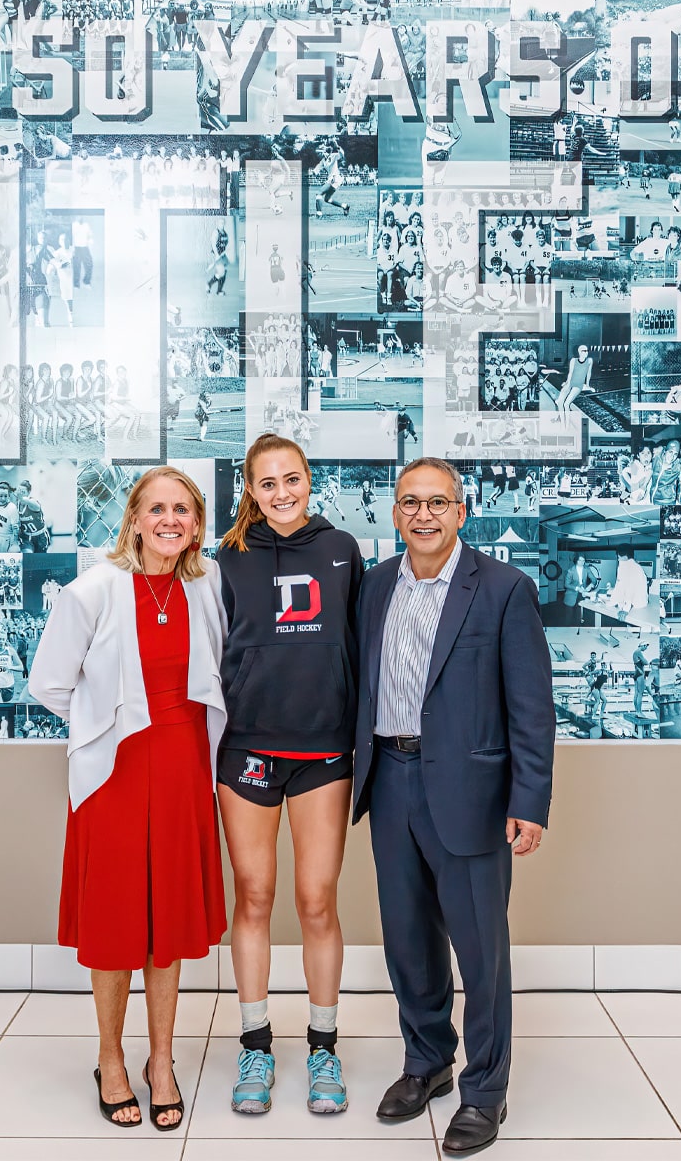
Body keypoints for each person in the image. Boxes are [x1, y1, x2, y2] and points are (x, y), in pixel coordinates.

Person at [350, 457, 555, 1156]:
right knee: (407, 940)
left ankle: (485, 1090)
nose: (424, 515)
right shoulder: (376, 587)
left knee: (480, 951)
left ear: (462, 511)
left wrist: (531, 800)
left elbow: (532, 709)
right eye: (411, 502)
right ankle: (428, 1061)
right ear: (395, 511)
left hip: (470, 792)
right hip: (389, 780)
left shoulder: (502, 589)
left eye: (439, 502)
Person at [28, 467, 228, 1131]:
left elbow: (217, 671)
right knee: (117, 927)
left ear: (197, 524)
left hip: (182, 767)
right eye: (157, 509)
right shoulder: (93, 591)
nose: (171, 520)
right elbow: (51, 684)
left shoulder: (206, 586)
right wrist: (101, 723)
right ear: (134, 519)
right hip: (116, 774)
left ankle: (161, 1060)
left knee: (166, 924)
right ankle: (111, 1059)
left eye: (184, 510)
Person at [215, 435, 366, 1115]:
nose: (281, 493)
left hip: (322, 750)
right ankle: (254, 1042)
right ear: (250, 489)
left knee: (315, 900)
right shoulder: (225, 561)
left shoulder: (342, 553)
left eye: (293, 479)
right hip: (246, 748)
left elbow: (361, 648)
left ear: (310, 480)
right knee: (252, 895)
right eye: (267, 483)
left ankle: (324, 1046)